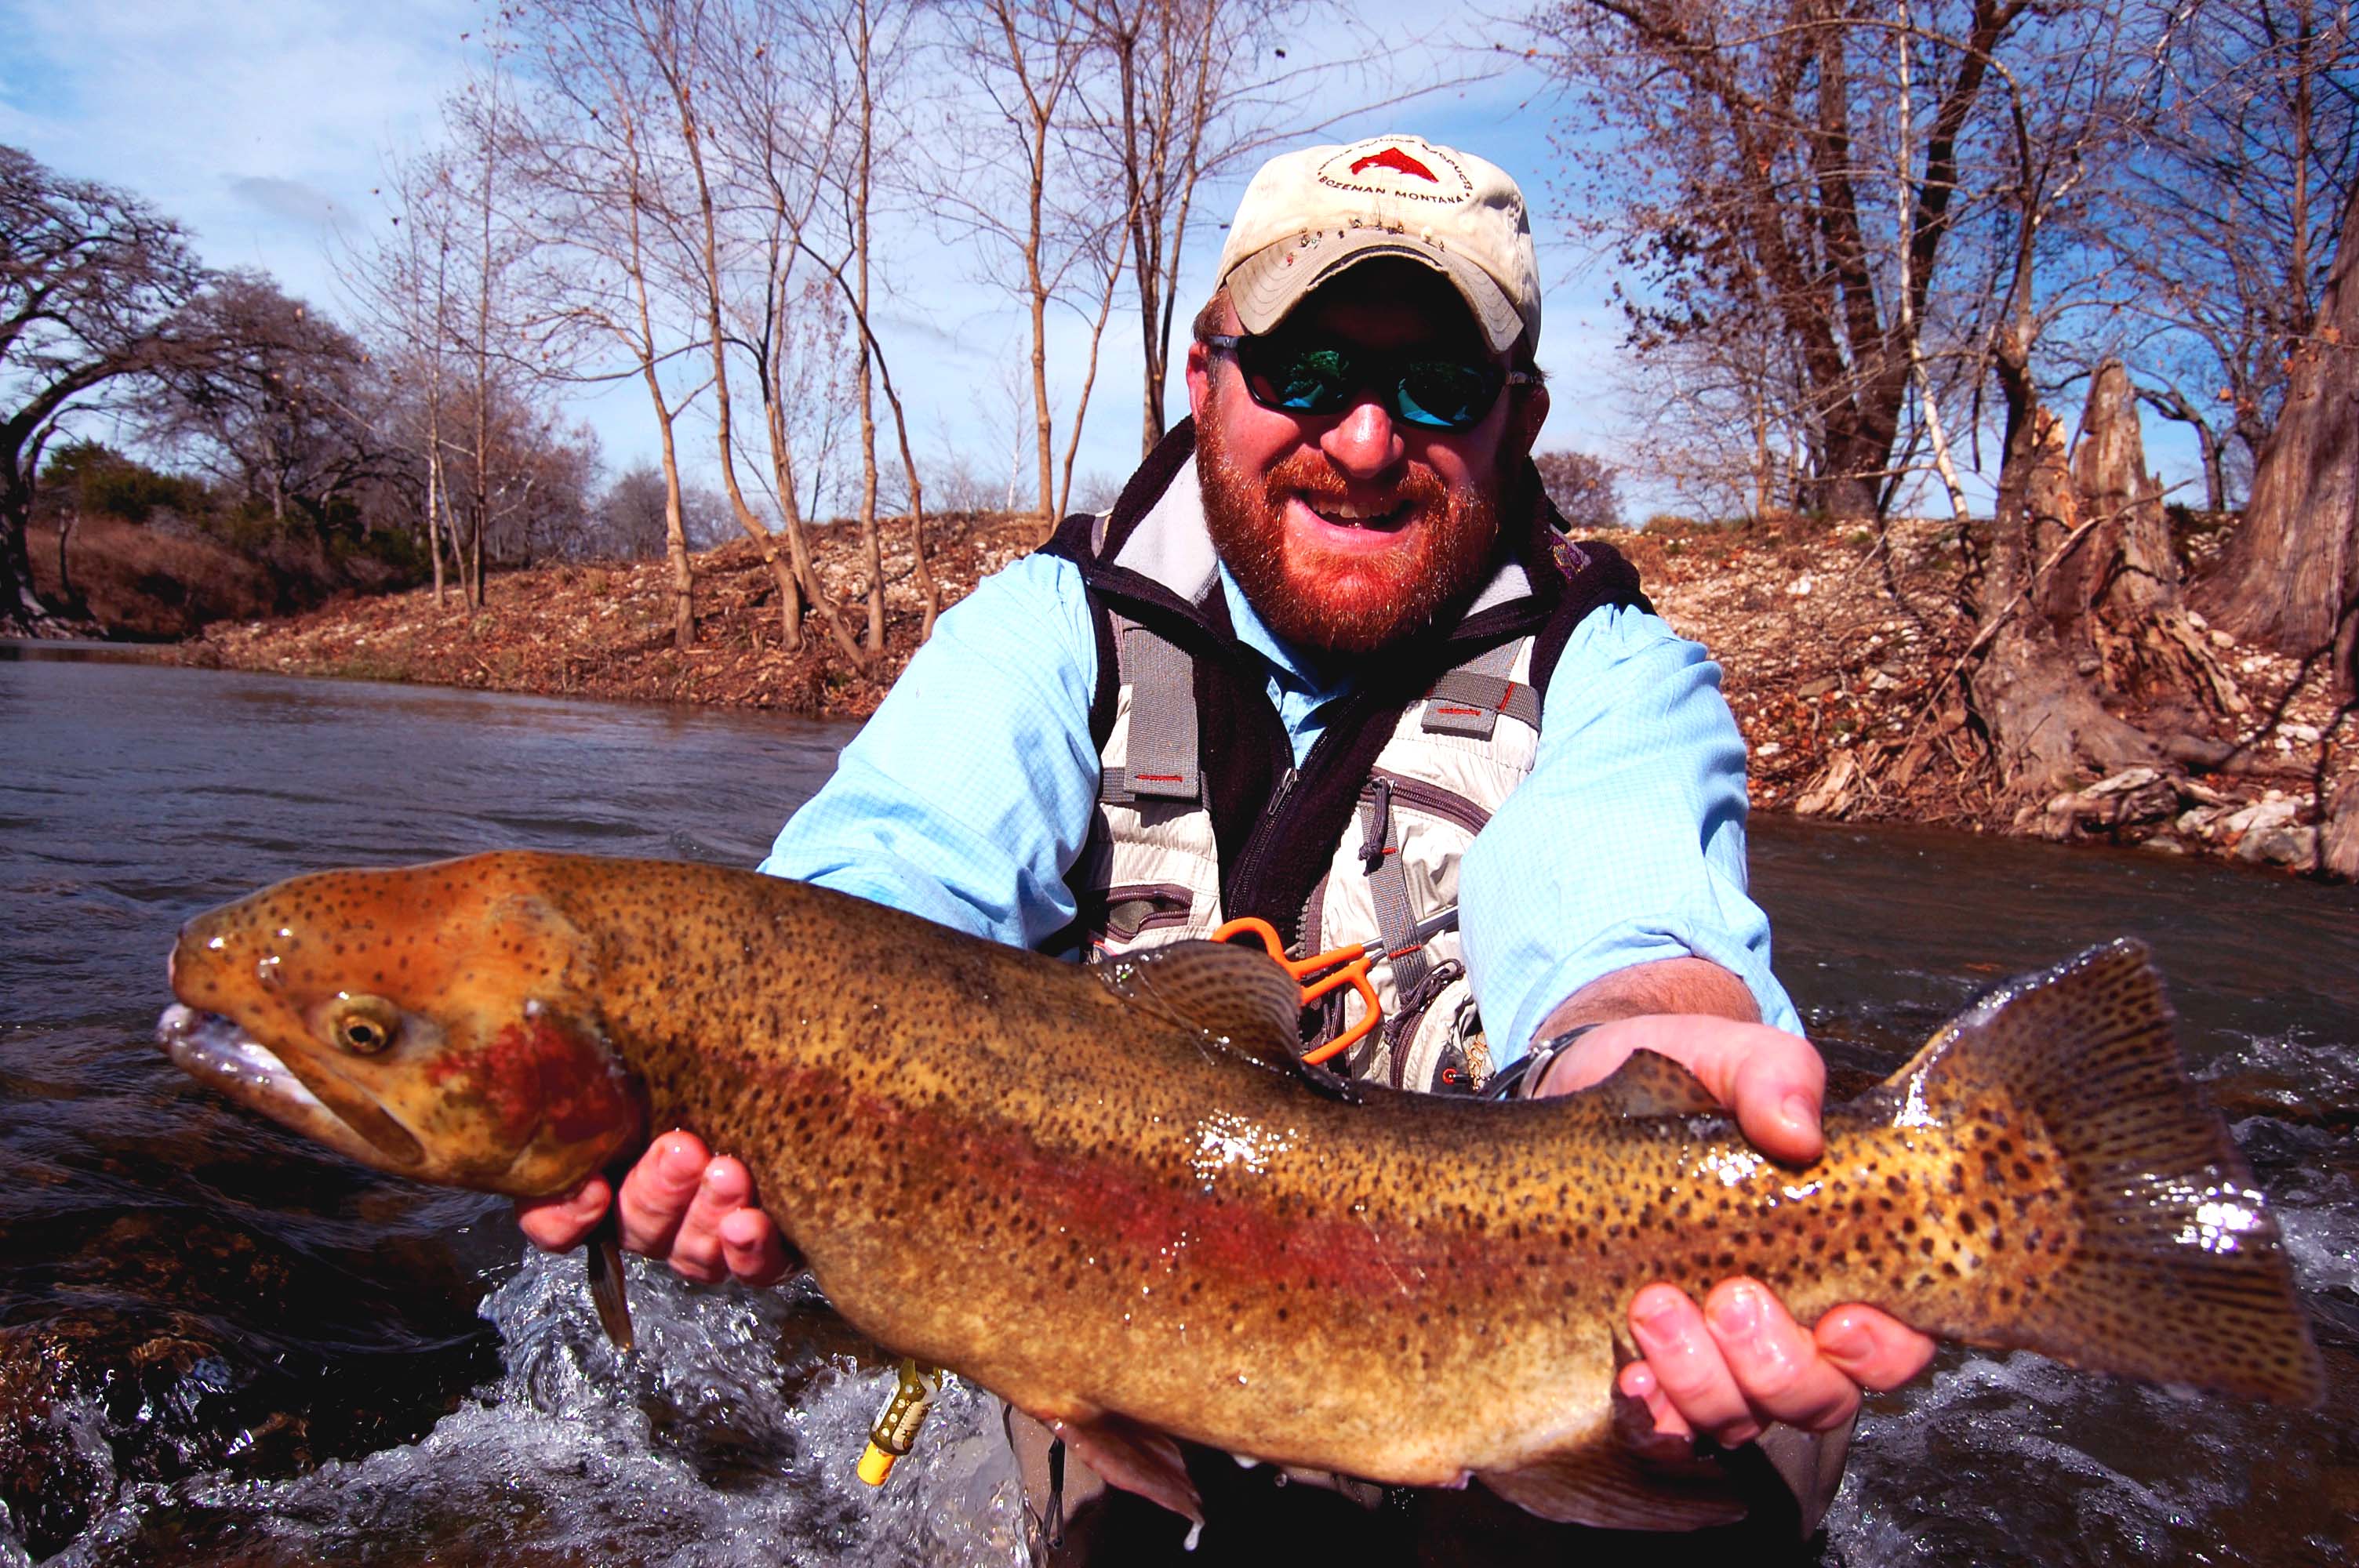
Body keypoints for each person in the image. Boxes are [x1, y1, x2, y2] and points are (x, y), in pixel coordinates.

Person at [519, 133, 1935, 1553]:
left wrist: (1663, 1053)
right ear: (1207, 382)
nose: (1366, 443)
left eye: (1436, 387)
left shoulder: (1617, 673)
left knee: (1765, 1426)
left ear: (1518, 417)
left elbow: (1625, 937)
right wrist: (715, 1082)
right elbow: (878, 893)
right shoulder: (1043, 633)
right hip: (1146, 1348)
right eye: (1302, 371)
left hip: (1553, 1322)